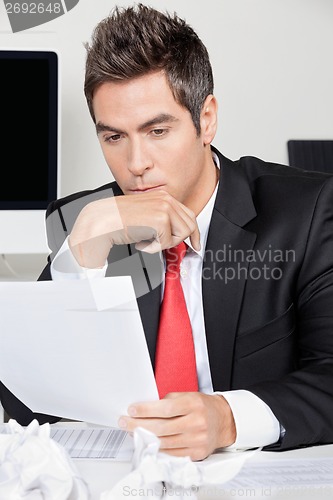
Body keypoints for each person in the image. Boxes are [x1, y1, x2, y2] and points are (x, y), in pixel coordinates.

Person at [1, 3, 333, 461]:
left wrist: (229, 418)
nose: (136, 165)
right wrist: (84, 251)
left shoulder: (307, 212)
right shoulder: (88, 220)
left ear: (207, 119)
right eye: (114, 137)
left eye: (157, 130)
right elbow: (24, 404)